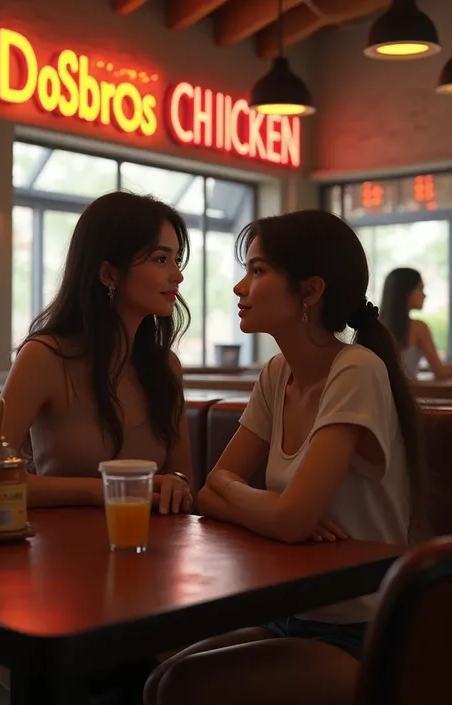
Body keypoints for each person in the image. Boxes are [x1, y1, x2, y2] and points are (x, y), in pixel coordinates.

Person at [143, 210, 427, 705]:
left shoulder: (356, 370)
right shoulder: (278, 372)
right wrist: (265, 507)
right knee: (158, 679)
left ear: (311, 291)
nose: (239, 287)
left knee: (181, 689)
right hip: (290, 615)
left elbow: (291, 519)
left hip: (365, 632)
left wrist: (269, 507)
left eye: (257, 271)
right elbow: (212, 489)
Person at [0, 190, 193, 512]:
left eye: (176, 259)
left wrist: (176, 482)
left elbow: (185, 478)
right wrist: (101, 491)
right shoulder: (46, 356)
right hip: (58, 552)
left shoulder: (166, 366)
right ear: (109, 274)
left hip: (151, 549)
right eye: (160, 259)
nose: (177, 275)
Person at [380, 267, 452, 379]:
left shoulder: (374, 327)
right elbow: (440, 371)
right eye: (420, 288)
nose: (424, 295)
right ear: (406, 292)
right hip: (404, 396)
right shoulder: (418, 328)